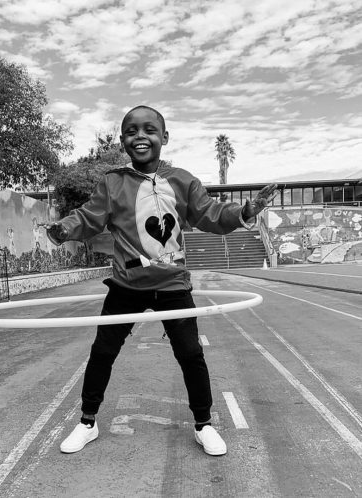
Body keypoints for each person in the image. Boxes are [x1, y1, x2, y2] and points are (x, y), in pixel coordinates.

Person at [46, 105, 277, 456]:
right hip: (126, 285)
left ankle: (204, 425)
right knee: (102, 352)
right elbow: (88, 217)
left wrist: (242, 213)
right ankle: (87, 422)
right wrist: (64, 229)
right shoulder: (112, 182)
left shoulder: (182, 180)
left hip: (172, 286)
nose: (140, 136)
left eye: (149, 130)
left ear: (164, 137)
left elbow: (210, 214)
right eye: (131, 131)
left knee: (190, 354)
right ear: (123, 140)